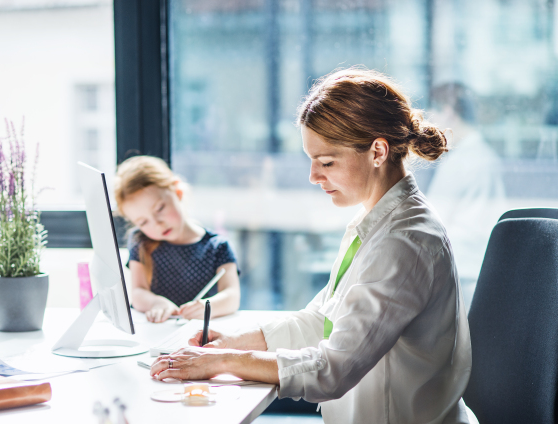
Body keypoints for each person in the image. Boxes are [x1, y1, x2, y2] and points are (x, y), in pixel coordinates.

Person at [149, 69, 476, 424]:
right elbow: (323, 320)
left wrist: (219, 362)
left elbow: (333, 368)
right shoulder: (376, 223)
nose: (313, 176)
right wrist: (233, 342)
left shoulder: (405, 242)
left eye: (326, 162)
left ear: (378, 151)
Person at [114, 155, 241, 323]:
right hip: (157, 333)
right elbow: (138, 293)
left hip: (200, 337)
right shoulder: (140, 241)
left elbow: (232, 296)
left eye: (159, 208)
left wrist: (207, 307)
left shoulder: (217, 246)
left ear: (177, 192)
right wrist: (156, 303)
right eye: (143, 222)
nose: (157, 224)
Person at [427, 83, 505, 310]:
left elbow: (431, 221)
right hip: (474, 268)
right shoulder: (483, 155)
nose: (430, 123)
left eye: (433, 114)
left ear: (449, 112)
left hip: (460, 270)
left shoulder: (463, 160)